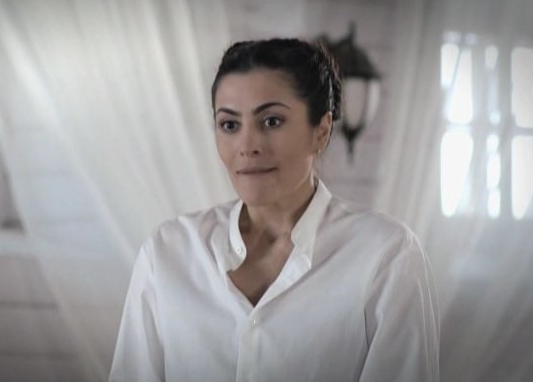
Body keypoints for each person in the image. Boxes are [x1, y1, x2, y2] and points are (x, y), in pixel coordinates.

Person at [109, 38, 439, 382]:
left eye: (271, 121)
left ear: (321, 131)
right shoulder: (167, 253)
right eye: (229, 125)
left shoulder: (386, 256)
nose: (247, 146)